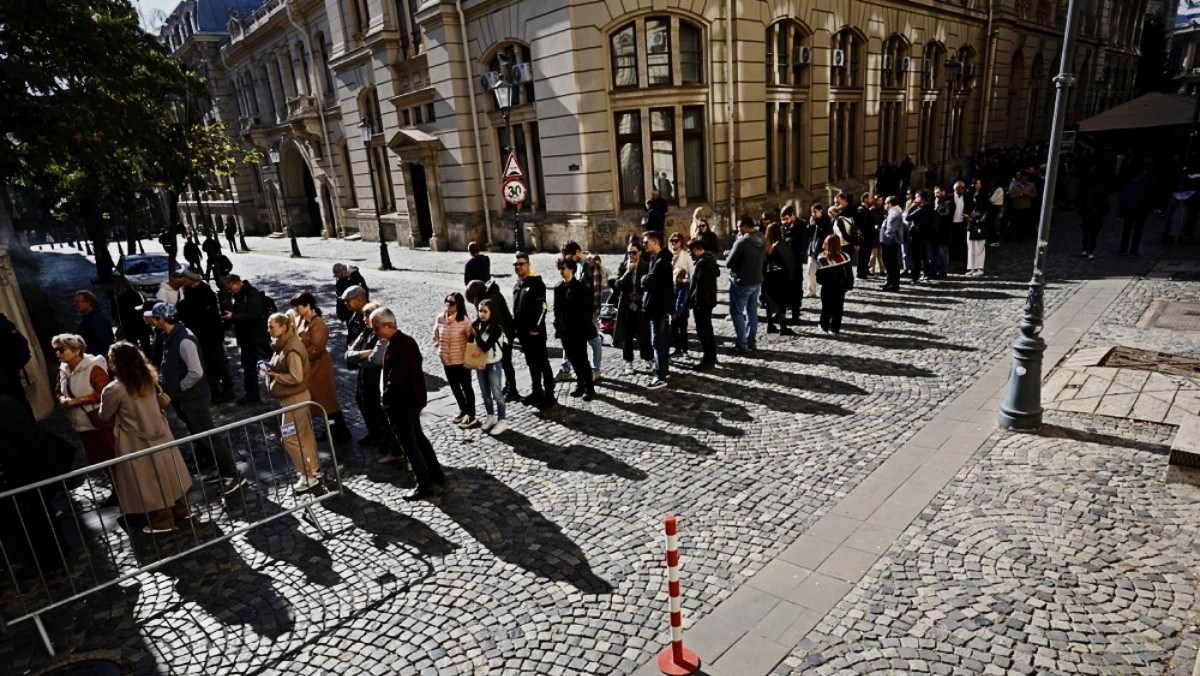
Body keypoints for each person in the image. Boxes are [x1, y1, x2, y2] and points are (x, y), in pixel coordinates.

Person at [146, 303, 246, 495]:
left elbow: (196, 372)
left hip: (194, 399)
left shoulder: (184, 340)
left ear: (160, 320)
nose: (153, 323)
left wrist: (177, 389)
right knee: (204, 437)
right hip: (187, 398)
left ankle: (234, 474)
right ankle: (225, 472)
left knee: (210, 437)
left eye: (155, 319)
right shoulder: (174, 336)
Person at [97, 342, 193, 534]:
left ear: (116, 362)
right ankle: (182, 509)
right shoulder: (149, 378)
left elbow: (104, 415)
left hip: (135, 439)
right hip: (160, 432)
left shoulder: (115, 389)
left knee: (149, 478)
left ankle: (164, 519)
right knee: (169, 470)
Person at [374, 307, 446, 501]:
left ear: (388, 325)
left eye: (377, 328)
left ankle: (423, 484)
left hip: (401, 406)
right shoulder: (407, 341)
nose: (375, 332)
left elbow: (394, 380)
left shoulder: (397, 346)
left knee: (410, 446)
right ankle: (437, 474)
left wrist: (385, 400)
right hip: (412, 403)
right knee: (419, 440)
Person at [263, 312, 323, 492]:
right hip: (295, 398)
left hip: (295, 400)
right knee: (304, 434)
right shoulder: (284, 345)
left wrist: (275, 376)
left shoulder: (291, 348)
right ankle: (313, 469)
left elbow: (296, 377)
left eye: (271, 326)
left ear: (283, 327)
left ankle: (307, 475)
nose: (269, 330)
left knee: (289, 438)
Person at [291, 291, 350, 443]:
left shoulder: (318, 324)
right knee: (320, 401)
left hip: (319, 368)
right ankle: (331, 430)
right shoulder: (300, 320)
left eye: (299, 307)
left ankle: (341, 432)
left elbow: (315, 348)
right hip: (310, 368)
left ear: (308, 306)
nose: (297, 310)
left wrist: (300, 358)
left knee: (328, 401)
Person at [53, 334, 116, 470]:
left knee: (113, 457)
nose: (58, 353)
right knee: (99, 461)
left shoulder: (93, 367)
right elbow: (58, 390)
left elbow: (105, 392)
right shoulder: (62, 371)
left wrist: (77, 401)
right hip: (82, 426)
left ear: (76, 350)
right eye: (56, 350)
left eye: (61, 349)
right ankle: (114, 486)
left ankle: (123, 487)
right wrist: (62, 399)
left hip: (100, 423)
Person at [345, 301, 399, 461]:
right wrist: (363, 355)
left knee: (381, 413)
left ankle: (392, 446)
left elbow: (375, 360)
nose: (364, 319)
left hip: (377, 379)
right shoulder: (365, 333)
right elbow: (348, 355)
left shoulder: (381, 335)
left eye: (367, 315)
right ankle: (375, 436)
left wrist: (360, 358)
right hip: (364, 379)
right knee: (365, 407)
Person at [175, 267, 235, 403]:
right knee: (207, 365)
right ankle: (214, 391)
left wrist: (184, 307)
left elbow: (205, 313)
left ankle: (227, 390)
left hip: (211, 335)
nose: (181, 280)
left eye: (184, 277)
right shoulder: (189, 290)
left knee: (218, 363)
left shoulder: (204, 292)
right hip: (200, 335)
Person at [555, 241, 603, 384]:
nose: (567, 260)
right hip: (577, 313)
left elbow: (596, 291)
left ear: (577, 252)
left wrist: (591, 314)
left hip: (590, 312)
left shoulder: (591, 265)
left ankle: (596, 369)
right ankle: (566, 369)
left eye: (569, 256)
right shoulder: (578, 267)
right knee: (569, 342)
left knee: (594, 340)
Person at [512, 253, 555, 408]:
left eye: (521, 264)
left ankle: (549, 394)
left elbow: (543, 308)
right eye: (515, 265)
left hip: (535, 333)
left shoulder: (536, 283)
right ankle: (537, 391)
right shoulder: (517, 285)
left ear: (528, 265)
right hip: (523, 334)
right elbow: (516, 310)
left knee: (543, 363)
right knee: (531, 364)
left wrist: (536, 327)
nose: (518, 267)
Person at [465, 279, 519, 402]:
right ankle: (510, 386)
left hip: (504, 333)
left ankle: (513, 390)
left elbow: (491, 320)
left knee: (506, 362)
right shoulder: (492, 294)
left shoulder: (489, 300)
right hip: (506, 330)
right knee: (506, 363)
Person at [220, 274, 272, 404]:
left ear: (237, 283)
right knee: (249, 368)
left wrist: (234, 317)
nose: (230, 291)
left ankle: (279, 387)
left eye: (230, 288)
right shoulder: (238, 296)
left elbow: (254, 314)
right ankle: (252, 395)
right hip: (246, 339)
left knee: (266, 365)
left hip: (257, 338)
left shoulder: (251, 294)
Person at [553, 258, 597, 399]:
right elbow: (557, 309)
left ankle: (589, 387)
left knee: (582, 359)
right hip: (565, 330)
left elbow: (586, 310)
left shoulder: (580, 287)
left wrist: (581, 327)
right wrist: (558, 326)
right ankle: (580, 384)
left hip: (578, 331)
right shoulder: (559, 287)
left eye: (564, 268)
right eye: (560, 268)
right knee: (572, 358)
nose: (562, 271)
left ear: (571, 269)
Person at [434, 291, 478, 428]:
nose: (448, 304)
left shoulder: (464, 320)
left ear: (458, 305)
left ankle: (471, 415)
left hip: (461, 361)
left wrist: (469, 357)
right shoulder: (440, 318)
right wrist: (439, 348)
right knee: (454, 387)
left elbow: (472, 339)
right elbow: (435, 335)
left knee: (466, 388)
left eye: (451, 302)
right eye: (446, 301)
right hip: (446, 360)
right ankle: (462, 409)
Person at [726, 215, 766, 353]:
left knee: (736, 312)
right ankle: (751, 342)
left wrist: (732, 248)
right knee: (752, 312)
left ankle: (742, 344)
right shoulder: (761, 238)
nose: (737, 230)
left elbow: (729, 263)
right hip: (756, 279)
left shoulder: (741, 242)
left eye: (739, 227)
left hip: (741, 282)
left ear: (744, 227)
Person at [639, 230, 674, 389]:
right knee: (661, 340)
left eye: (646, 242)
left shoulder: (661, 262)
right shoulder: (657, 259)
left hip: (658, 306)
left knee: (657, 341)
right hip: (658, 305)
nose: (644, 245)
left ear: (655, 242)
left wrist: (642, 278)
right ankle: (663, 371)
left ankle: (660, 376)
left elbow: (649, 281)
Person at [612, 241, 651, 376]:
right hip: (627, 306)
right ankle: (628, 361)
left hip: (641, 305)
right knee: (627, 335)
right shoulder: (623, 266)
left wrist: (640, 296)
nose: (631, 255)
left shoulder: (646, 267)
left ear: (640, 252)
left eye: (634, 252)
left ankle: (647, 359)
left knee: (644, 333)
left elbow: (650, 286)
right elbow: (617, 285)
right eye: (629, 252)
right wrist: (627, 272)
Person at [471, 299, 510, 432]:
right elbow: (471, 344)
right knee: (485, 393)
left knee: (497, 393)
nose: (481, 314)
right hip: (480, 363)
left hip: (493, 363)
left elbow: (485, 347)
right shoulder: (476, 324)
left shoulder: (497, 329)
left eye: (485, 311)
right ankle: (490, 416)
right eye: (480, 311)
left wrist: (475, 334)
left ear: (491, 313)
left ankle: (502, 420)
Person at [687, 238, 719, 368]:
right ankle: (712, 355)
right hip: (709, 301)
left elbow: (699, 287)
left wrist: (692, 302)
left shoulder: (702, 263)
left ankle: (708, 358)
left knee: (703, 330)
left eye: (691, 251)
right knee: (708, 329)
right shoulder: (710, 259)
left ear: (696, 250)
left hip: (702, 302)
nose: (690, 254)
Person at [815, 235, 853, 335]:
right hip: (840, 286)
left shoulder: (822, 258)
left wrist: (823, 282)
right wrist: (849, 285)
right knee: (838, 308)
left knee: (826, 307)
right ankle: (835, 328)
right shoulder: (845, 256)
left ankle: (823, 325)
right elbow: (849, 273)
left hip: (827, 287)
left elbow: (819, 277)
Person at [763, 222, 796, 335]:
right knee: (781, 301)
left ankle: (770, 324)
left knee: (769, 300)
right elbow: (789, 260)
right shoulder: (781, 244)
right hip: (780, 275)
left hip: (767, 275)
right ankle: (783, 326)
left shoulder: (765, 245)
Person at [1117, 165, 1157, 257]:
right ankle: (1133, 250)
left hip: (1130, 209)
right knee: (1137, 230)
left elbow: (1124, 197)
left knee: (1127, 229)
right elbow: (1153, 197)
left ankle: (1123, 249)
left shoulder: (1131, 182)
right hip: (1141, 209)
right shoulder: (1151, 182)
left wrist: (1120, 213)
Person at [111, 275, 152, 357]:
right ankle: (149, 360)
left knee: (133, 346)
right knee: (146, 345)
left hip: (128, 325)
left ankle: (137, 360)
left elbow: (115, 314)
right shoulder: (136, 294)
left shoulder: (117, 297)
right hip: (141, 323)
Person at [780, 205, 807, 323]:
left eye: (786, 219)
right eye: (782, 219)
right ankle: (782, 316)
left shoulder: (798, 231)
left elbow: (801, 249)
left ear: (792, 217)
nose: (784, 222)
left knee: (795, 292)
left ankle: (795, 316)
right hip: (783, 268)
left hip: (795, 268)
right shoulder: (781, 231)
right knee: (784, 293)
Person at [668, 232, 693, 356]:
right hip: (671, 288)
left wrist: (686, 283)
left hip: (683, 286)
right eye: (672, 240)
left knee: (682, 327)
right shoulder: (668, 254)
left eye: (676, 240)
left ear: (681, 242)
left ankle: (684, 349)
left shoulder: (686, 255)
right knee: (673, 328)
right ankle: (677, 348)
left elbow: (691, 272)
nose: (673, 243)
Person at [904, 190, 935, 284]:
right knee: (924, 256)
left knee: (916, 257)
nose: (915, 199)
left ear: (921, 198)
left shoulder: (921, 209)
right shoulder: (930, 206)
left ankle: (915, 277)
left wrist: (912, 206)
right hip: (925, 235)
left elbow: (907, 217)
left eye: (917, 197)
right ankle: (926, 274)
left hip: (917, 235)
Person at [964, 187, 995, 277]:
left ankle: (979, 268)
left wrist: (972, 220)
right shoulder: (977, 207)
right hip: (971, 229)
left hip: (979, 231)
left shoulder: (987, 209)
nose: (974, 200)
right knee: (971, 250)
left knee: (979, 250)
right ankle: (972, 267)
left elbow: (984, 221)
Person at [75, 290, 114, 359]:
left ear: (88, 303)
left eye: (78, 302)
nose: (75, 304)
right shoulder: (89, 318)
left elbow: (104, 342)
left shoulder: (97, 319)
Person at [804, 204, 833, 298]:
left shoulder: (826, 221)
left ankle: (827, 291)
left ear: (820, 211)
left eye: (815, 212)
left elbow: (826, 236)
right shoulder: (813, 221)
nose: (813, 214)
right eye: (812, 212)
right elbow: (808, 235)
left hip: (821, 250)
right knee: (810, 270)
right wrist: (810, 225)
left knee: (825, 272)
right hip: (813, 249)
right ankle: (811, 291)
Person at [878, 195, 905, 291]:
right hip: (889, 242)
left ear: (889, 204)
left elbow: (891, 229)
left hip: (890, 243)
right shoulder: (893, 212)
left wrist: (886, 240)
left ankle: (894, 284)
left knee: (891, 263)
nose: (884, 205)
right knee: (888, 262)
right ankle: (889, 281)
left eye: (885, 203)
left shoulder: (894, 214)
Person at [1079, 183, 1109, 259]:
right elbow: (1106, 208)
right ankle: (1089, 251)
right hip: (1094, 218)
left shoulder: (1088, 192)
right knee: (1092, 236)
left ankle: (1085, 250)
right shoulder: (1102, 193)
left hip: (1090, 216)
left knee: (1087, 235)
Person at [855, 192, 877, 279]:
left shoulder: (867, 209)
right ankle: (860, 272)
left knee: (867, 254)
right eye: (870, 198)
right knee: (863, 254)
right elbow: (859, 224)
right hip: (864, 237)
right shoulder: (861, 210)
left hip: (869, 236)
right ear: (865, 199)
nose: (872, 199)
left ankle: (865, 269)